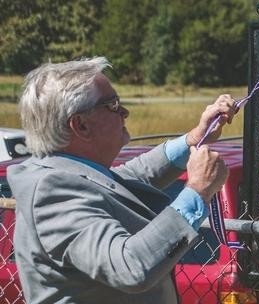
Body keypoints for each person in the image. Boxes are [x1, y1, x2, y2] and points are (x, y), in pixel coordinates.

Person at [7, 57, 236, 304]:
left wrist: (194, 138)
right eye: (113, 105)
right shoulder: (52, 192)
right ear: (81, 125)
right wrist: (197, 192)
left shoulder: (67, 172)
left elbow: (131, 178)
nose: (125, 112)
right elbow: (130, 267)